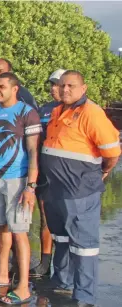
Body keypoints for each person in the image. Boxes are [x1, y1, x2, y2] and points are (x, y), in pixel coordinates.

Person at [41, 71, 120, 306]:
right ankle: (61, 280)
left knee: (83, 244)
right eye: (61, 85)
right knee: (61, 237)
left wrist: (103, 172)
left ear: (83, 88)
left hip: (80, 190)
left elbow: (113, 152)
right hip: (55, 189)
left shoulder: (92, 113)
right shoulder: (57, 110)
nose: (65, 90)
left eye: (71, 86)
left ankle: (84, 295)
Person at [0, 72, 40, 304]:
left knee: (19, 232)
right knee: (1, 228)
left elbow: (33, 151)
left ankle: (23, 287)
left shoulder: (27, 113)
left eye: (2, 86)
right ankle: (1, 275)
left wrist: (30, 186)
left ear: (15, 88)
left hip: (18, 180)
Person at [30, 69, 66, 277]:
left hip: (67, 176)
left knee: (65, 220)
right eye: (52, 84)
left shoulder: (81, 110)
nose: (54, 88)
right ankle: (45, 264)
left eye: (58, 84)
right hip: (44, 173)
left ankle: (65, 269)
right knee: (45, 218)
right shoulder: (44, 110)